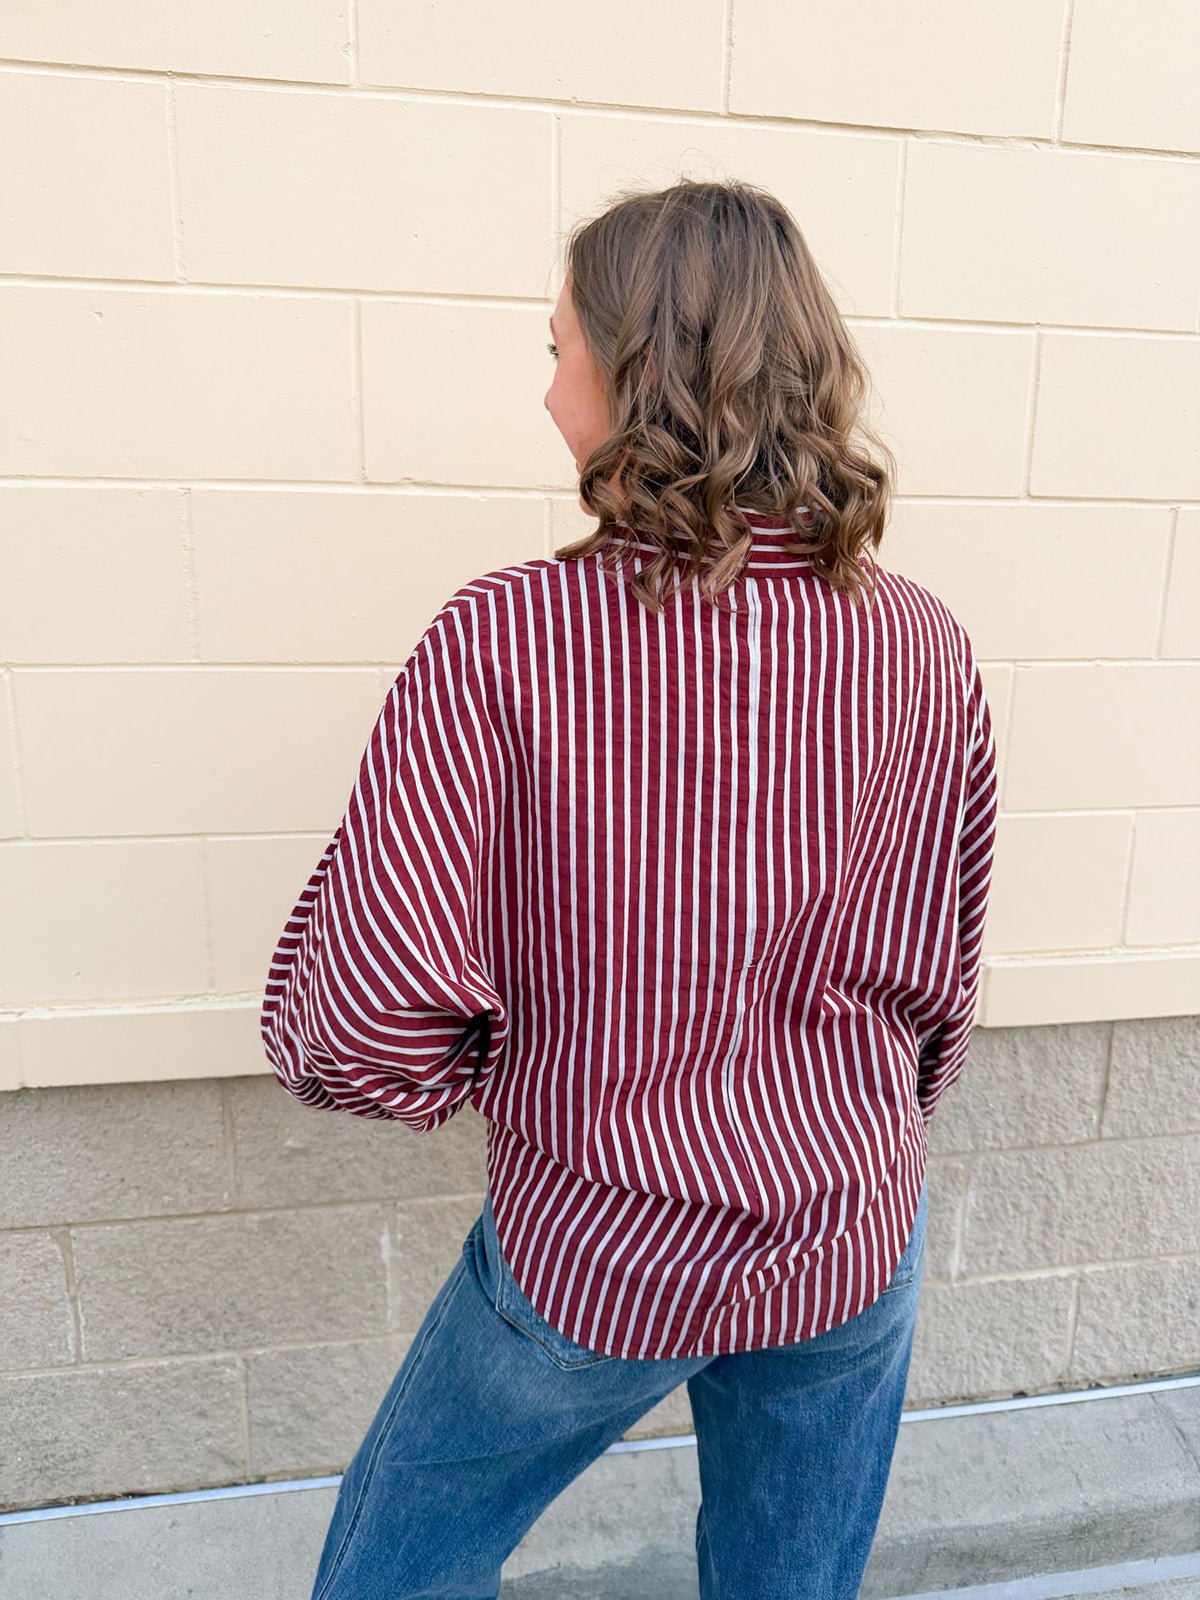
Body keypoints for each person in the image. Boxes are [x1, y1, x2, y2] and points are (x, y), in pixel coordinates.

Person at [260, 177, 998, 1600]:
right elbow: (941, 980)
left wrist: (507, 1072)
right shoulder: (924, 642)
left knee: (391, 1572)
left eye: (560, 351)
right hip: (849, 1221)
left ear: (641, 370)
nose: (546, 394)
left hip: (598, 1243)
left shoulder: (507, 641)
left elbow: (362, 1014)